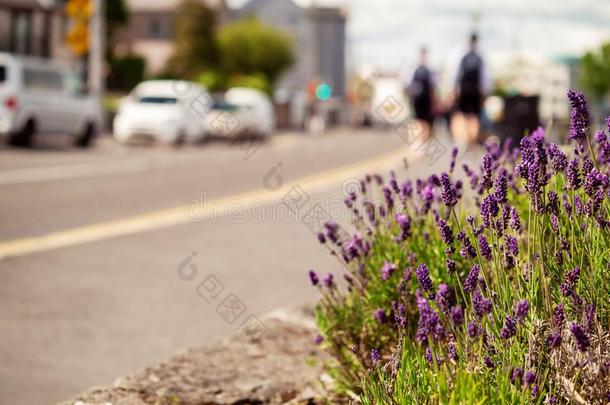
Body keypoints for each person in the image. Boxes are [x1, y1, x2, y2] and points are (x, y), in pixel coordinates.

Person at [450, 32, 490, 145]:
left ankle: (466, 139)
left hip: (464, 90)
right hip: (475, 91)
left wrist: (453, 90)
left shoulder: (460, 54)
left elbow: (454, 74)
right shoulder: (480, 55)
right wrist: (485, 93)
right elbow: (485, 77)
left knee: (463, 115)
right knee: (474, 117)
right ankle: (471, 141)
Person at [408, 47, 435, 140]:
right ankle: (422, 141)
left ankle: (420, 142)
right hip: (423, 100)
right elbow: (433, 87)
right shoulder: (429, 70)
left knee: (419, 121)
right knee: (423, 122)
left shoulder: (413, 69)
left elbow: (408, 85)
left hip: (418, 100)